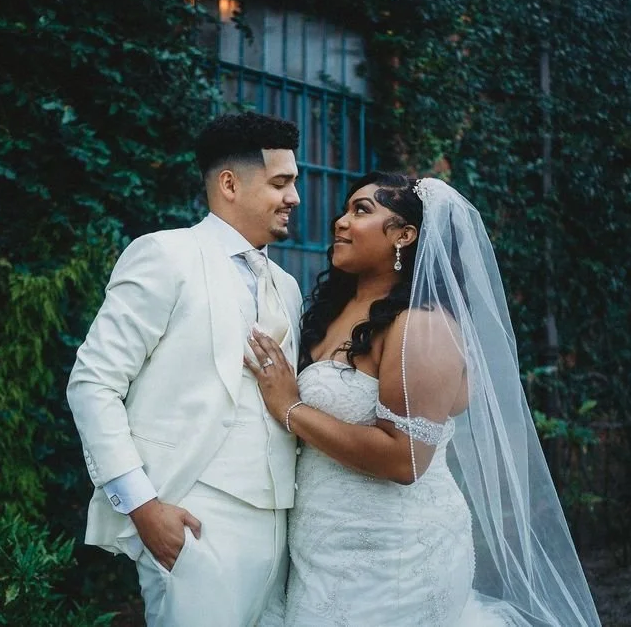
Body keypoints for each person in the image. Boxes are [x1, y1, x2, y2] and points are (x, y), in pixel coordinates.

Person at [247, 172, 602, 626]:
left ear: (404, 234)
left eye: (361, 211)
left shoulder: (422, 325)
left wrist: (291, 410)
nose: (340, 221)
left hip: (395, 555)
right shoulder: (330, 311)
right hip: (324, 544)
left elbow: (406, 459)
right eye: (345, 208)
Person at [66, 112, 303, 626]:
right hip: (193, 515)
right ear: (229, 184)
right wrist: (142, 506)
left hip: (282, 522)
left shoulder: (287, 286)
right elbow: (92, 383)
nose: (294, 198)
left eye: (295, 183)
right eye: (281, 183)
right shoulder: (165, 255)